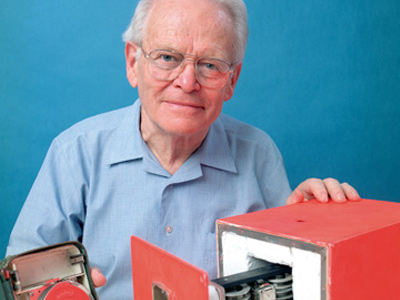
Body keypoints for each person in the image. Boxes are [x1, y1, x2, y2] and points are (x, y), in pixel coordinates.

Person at [6, 0, 360, 298]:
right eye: (166, 58)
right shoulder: (75, 153)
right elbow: (23, 277)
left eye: (209, 65)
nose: (187, 82)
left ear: (232, 80)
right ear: (133, 63)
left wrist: (315, 226)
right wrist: (55, 293)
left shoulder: (258, 154)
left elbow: (286, 278)